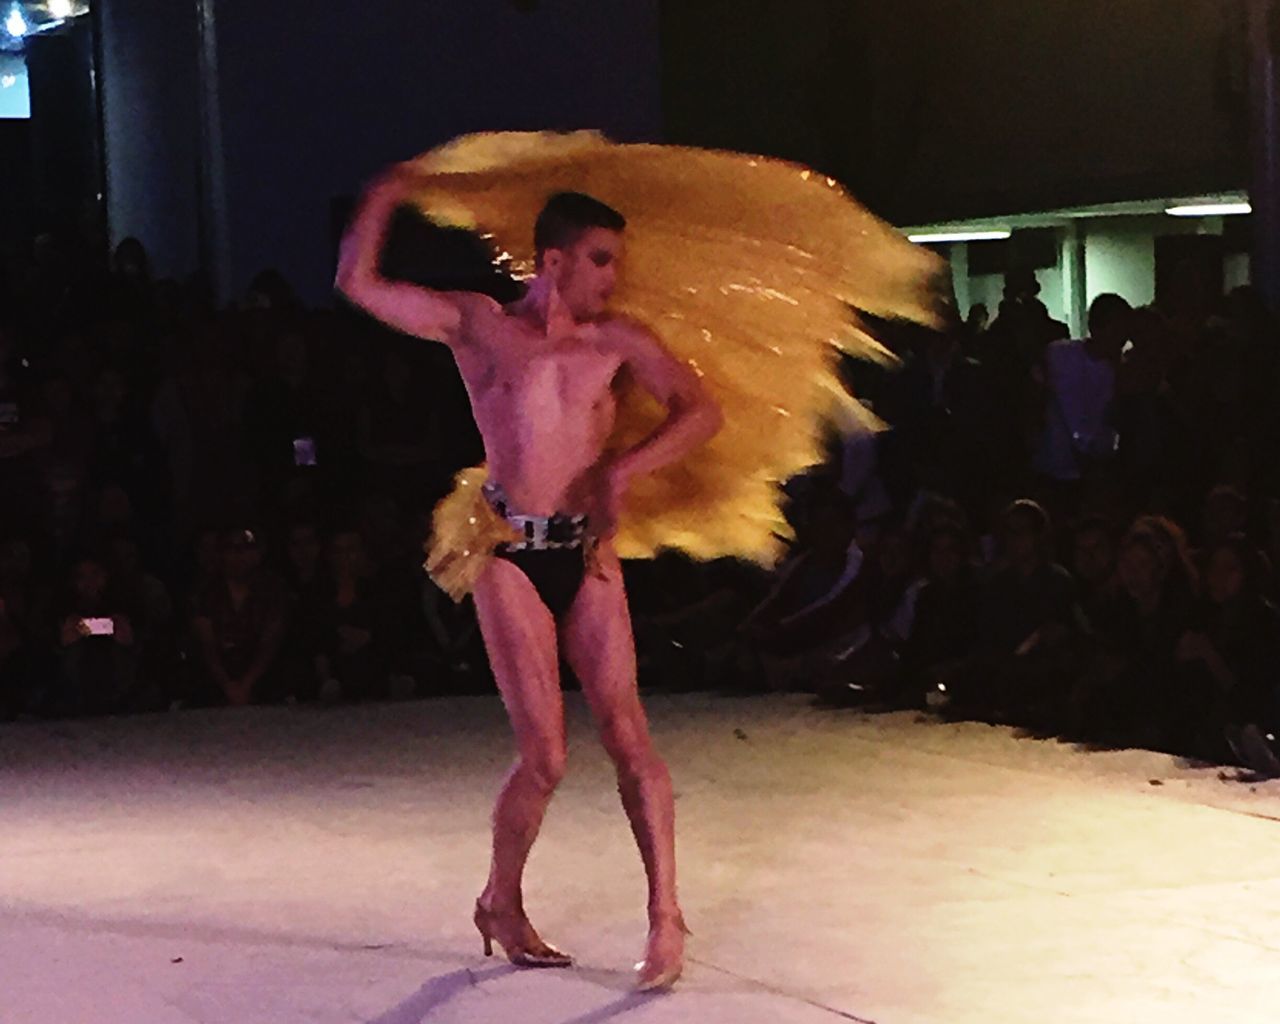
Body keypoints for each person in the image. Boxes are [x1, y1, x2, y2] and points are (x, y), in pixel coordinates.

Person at [337, 176, 722, 989]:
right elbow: (358, 285)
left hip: (585, 554)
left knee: (629, 736)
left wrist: (623, 468)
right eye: (601, 260)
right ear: (553, 260)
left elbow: (699, 409)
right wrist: (389, 193)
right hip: (508, 549)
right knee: (544, 757)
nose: (613, 278)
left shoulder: (616, 339)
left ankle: (666, 916)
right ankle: (500, 901)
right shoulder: (481, 326)